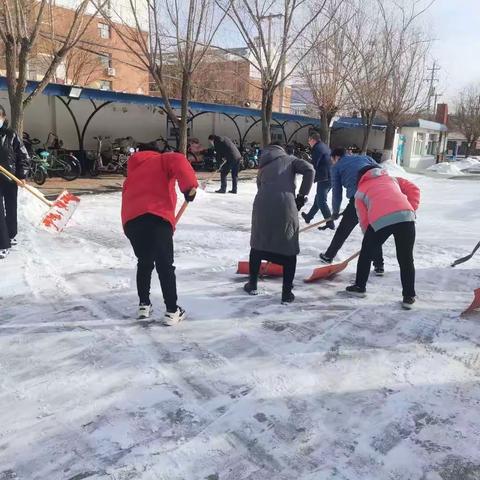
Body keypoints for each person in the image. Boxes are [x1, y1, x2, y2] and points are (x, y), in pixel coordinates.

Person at [121, 141, 198, 325]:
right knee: (165, 264)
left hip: (132, 222)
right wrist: (189, 187)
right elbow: (179, 159)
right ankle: (172, 310)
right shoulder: (162, 160)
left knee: (145, 262)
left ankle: (143, 305)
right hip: (157, 217)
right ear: (157, 152)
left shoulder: (133, 173)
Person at [244, 143, 314, 303]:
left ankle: (252, 285)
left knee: (258, 244)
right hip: (285, 204)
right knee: (288, 248)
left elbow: (259, 186)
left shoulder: (263, 166)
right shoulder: (290, 159)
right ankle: (286, 293)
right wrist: (302, 196)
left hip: (261, 204)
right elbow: (310, 169)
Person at [346, 166, 420, 310]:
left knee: (366, 254)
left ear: (361, 177)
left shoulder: (360, 191)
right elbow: (414, 189)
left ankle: (360, 286)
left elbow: (364, 219)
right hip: (406, 216)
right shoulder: (392, 179)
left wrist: (368, 239)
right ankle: (408, 296)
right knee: (406, 258)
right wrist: (410, 207)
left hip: (380, 219)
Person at [319, 147, 384, 275]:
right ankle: (379, 265)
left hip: (358, 197)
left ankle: (329, 255)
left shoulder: (336, 167)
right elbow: (380, 172)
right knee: (373, 230)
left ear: (336, 158)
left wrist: (335, 212)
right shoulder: (364, 157)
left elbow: (337, 193)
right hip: (376, 195)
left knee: (344, 228)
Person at [0, 105, 30, 259]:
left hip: (10, 178)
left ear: (4, 117)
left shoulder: (11, 135)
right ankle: (3, 244)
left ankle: (11, 234)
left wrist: (22, 175)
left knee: (11, 208)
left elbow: (23, 156)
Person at [301, 131, 334, 230]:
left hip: (325, 178)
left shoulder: (317, 149)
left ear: (312, 140)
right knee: (318, 199)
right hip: (330, 176)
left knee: (321, 201)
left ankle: (330, 223)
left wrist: (306, 168)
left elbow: (314, 164)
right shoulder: (324, 146)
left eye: (309, 141)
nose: (308, 143)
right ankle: (309, 217)